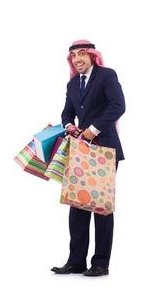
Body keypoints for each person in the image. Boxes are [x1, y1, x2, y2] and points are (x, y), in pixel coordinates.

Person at [51, 40, 125, 277]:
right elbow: (66, 113)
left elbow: (118, 106)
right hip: (80, 149)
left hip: (104, 149)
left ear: (93, 56)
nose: (77, 59)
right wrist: (69, 125)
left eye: (82, 54)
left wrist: (94, 129)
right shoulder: (73, 84)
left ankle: (101, 263)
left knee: (101, 207)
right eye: (73, 56)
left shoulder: (106, 76)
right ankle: (76, 261)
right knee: (77, 205)